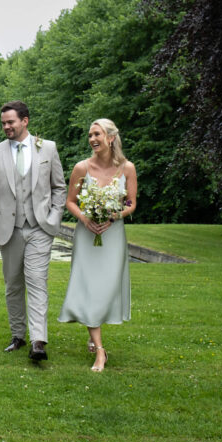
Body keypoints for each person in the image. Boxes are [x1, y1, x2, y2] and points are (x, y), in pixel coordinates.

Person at [0, 100, 66, 362]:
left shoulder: (47, 148)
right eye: (3, 123)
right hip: (9, 229)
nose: (6, 126)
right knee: (13, 284)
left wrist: (53, 217)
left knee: (37, 282)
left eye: (11, 122)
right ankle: (18, 335)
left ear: (25, 121)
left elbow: (59, 187)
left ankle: (38, 341)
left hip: (40, 227)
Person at [58, 119, 137, 372]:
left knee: (106, 288)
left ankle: (93, 335)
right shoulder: (82, 168)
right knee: (89, 287)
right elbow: (70, 201)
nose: (92, 139)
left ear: (111, 138)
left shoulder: (127, 168)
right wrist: (84, 218)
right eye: (90, 135)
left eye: (97, 134)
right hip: (86, 234)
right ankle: (100, 351)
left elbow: (130, 203)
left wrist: (114, 216)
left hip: (113, 235)